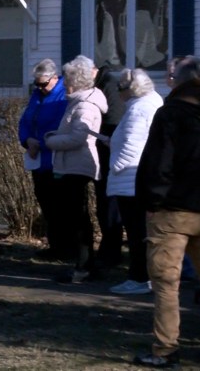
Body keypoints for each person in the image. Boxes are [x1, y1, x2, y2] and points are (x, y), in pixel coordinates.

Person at [133, 56, 200, 368]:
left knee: (166, 283)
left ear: (181, 81)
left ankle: (165, 348)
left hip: (172, 210)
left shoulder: (171, 114)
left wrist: (152, 200)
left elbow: (158, 162)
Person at [44, 55, 107, 283]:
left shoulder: (85, 105)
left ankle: (83, 267)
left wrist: (50, 140)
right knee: (76, 217)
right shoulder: (78, 102)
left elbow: (78, 137)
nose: (64, 83)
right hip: (73, 164)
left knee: (78, 218)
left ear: (76, 80)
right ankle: (83, 265)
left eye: (68, 78)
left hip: (78, 166)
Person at [106, 68, 163, 296]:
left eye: (120, 88)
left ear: (131, 90)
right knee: (140, 232)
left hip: (130, 180)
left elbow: (132, 145)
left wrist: (115, 166)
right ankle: (141, 275)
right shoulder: (149, 104)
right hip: (137, 178)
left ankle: (139, 277)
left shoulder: (138, 110)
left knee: (136, 232)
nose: (118, 93)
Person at [17, 59, 70, 259]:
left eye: (43, 84)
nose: (40, 88)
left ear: (54, 78)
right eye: (37, 84)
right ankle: (55, 245)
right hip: (38, 158)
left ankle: (64, 247)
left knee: (59, 205)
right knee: (46, 202)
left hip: (56, 158)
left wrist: (40, 142)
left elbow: (59, 126)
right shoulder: (37, 96)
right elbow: (26, 121)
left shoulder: (63, 96)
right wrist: (27, 139)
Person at [92, 61, 126, 270]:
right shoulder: (103, 85)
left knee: (110, 206)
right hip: (105, 153)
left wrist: (100, 136)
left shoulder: (108, 86)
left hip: (109, 155)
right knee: (104, 205)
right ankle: (108, 248)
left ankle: (111, 251)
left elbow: (113, 120)